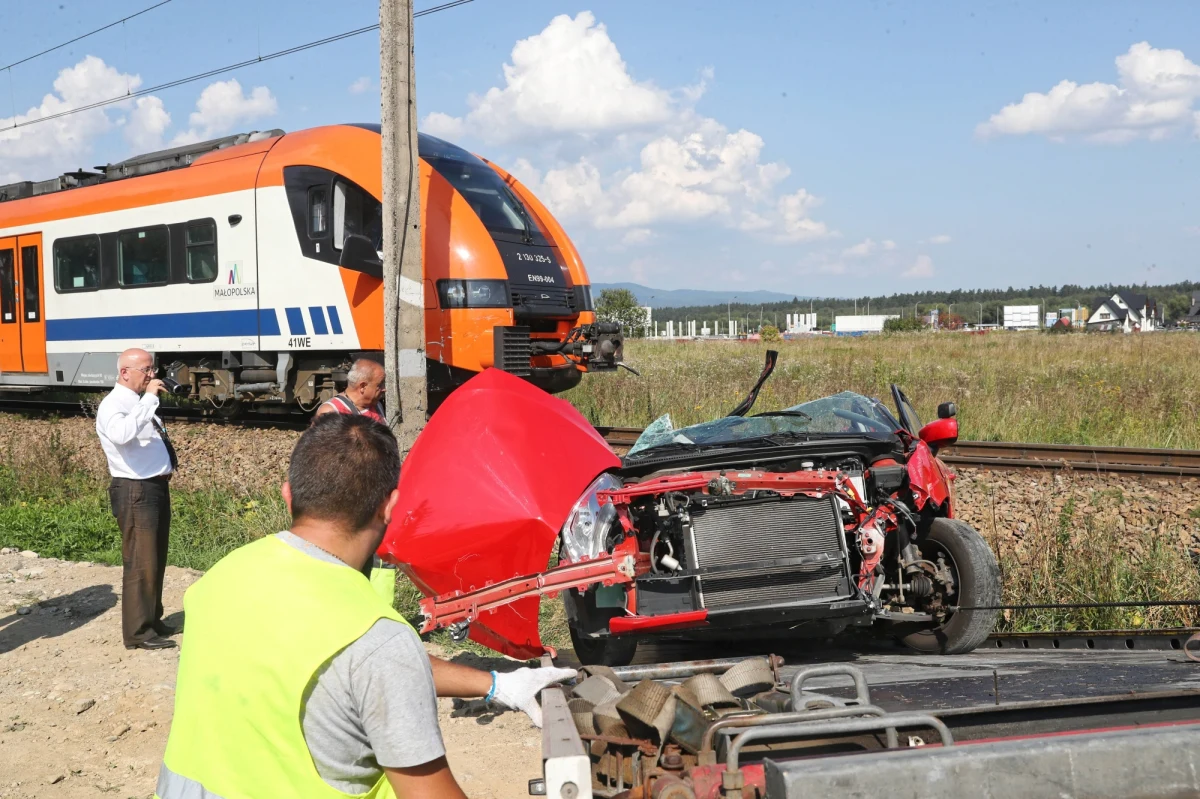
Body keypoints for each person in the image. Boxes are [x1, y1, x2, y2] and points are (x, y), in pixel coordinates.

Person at [156, 414, 574, 798]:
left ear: (289, 494)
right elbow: (372, 666)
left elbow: (346, 669)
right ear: (390, 506)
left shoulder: (221, 578)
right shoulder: (374, 639)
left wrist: (497, 685)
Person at [96, 348, 178, 651]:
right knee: (141, 561)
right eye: (146, 369)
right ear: (125, 373)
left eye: (152, 368)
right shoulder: (113, 404)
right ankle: (138, 633)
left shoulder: (138, 401)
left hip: (153, 486)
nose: (152, 374)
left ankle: (153, 620)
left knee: (156, 557)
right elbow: (122, 434)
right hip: (135, 490)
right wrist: (150, 401)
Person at [316, 358, 386, 423]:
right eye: (379, 385)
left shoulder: (377, 406)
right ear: (362, 387)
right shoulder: (331, 411)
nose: (384, 389)